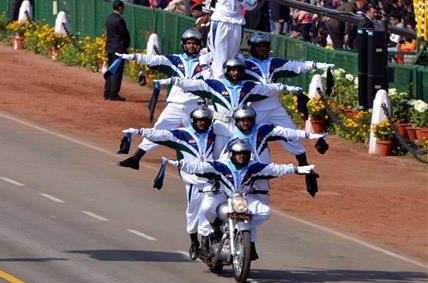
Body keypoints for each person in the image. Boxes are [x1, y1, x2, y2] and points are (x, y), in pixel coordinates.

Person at [164, 138, 316, 261]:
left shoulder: (253, 167)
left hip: (243, 198)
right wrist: (177, 163)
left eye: (245, 153)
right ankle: (215, 230)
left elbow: (275, 168)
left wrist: (297, 169)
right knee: (206, 207)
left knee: (265, 211)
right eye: (239, 153)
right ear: (232, 154)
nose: (242, 156)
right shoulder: (220, 165)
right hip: (222, 195)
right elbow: (199, 167)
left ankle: (243, 233)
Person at [118, 106, 232, 258]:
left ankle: (207, 243)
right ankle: (194, 241)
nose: (203, 123)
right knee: (192, 214)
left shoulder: (215, 135)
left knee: (209, 211)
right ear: (193, 121)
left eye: (206, 121)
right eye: (200, 121)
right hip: (193, 183)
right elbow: (160, 134)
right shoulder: (182, 135)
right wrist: (139, 131)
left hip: (210, 182)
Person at [156, 57, 302, 121]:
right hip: (220, 124)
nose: (236, 73)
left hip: (239, 125)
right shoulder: (214, 84)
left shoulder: (247, 86)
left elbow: (268, 88)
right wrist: (169, 80)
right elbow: (190, 84)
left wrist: (291, 88)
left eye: (238, 70)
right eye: (232, 70)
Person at [118, 28, 210, 126]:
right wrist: (134, 57)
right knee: (157, 133)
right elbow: (153, 59)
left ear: (199, 44)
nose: (191, 46)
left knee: (199, 136)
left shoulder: (205, 62)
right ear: (183, 44)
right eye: (189, 43)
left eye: (194, 43)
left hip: (195, 105)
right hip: (175, 104)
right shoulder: (175, 59)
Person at [104, 0, 131, 101]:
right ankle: (113, 94)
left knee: (110, 69)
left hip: (110, 47)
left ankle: (107, 92)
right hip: (118, 49)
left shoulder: (109, 18)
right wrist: (126, 47)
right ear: (120, 8)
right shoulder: (119, 20)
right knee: (117, 71)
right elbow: (124, 34)